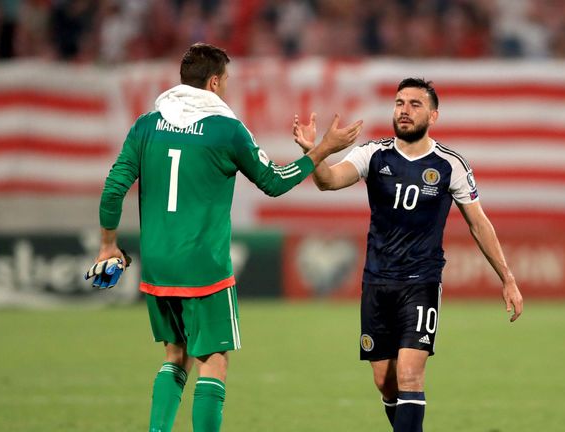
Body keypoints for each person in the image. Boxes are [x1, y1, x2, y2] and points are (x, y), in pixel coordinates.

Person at [90, 42, 363, 432]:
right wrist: (321, 152)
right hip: (204, 265)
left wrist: (107, 245)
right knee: (213, 360)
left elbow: (114, 188)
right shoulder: (227, 130)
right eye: (227, 81)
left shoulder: (146, 125)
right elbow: (273, 182)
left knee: (175, 354)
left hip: (157, 263)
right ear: (215, 82)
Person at [293, 77, 523, 432]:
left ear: (433, 115)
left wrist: (507, 278)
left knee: (410, 374)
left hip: (422, 282)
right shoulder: (374, 154)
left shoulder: (450, 165)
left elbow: (479, 223)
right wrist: (317, 150)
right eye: (400, 102)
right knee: (385, 381)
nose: (404, 110)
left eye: (415, 104)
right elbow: (328, 181)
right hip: (377, 281)